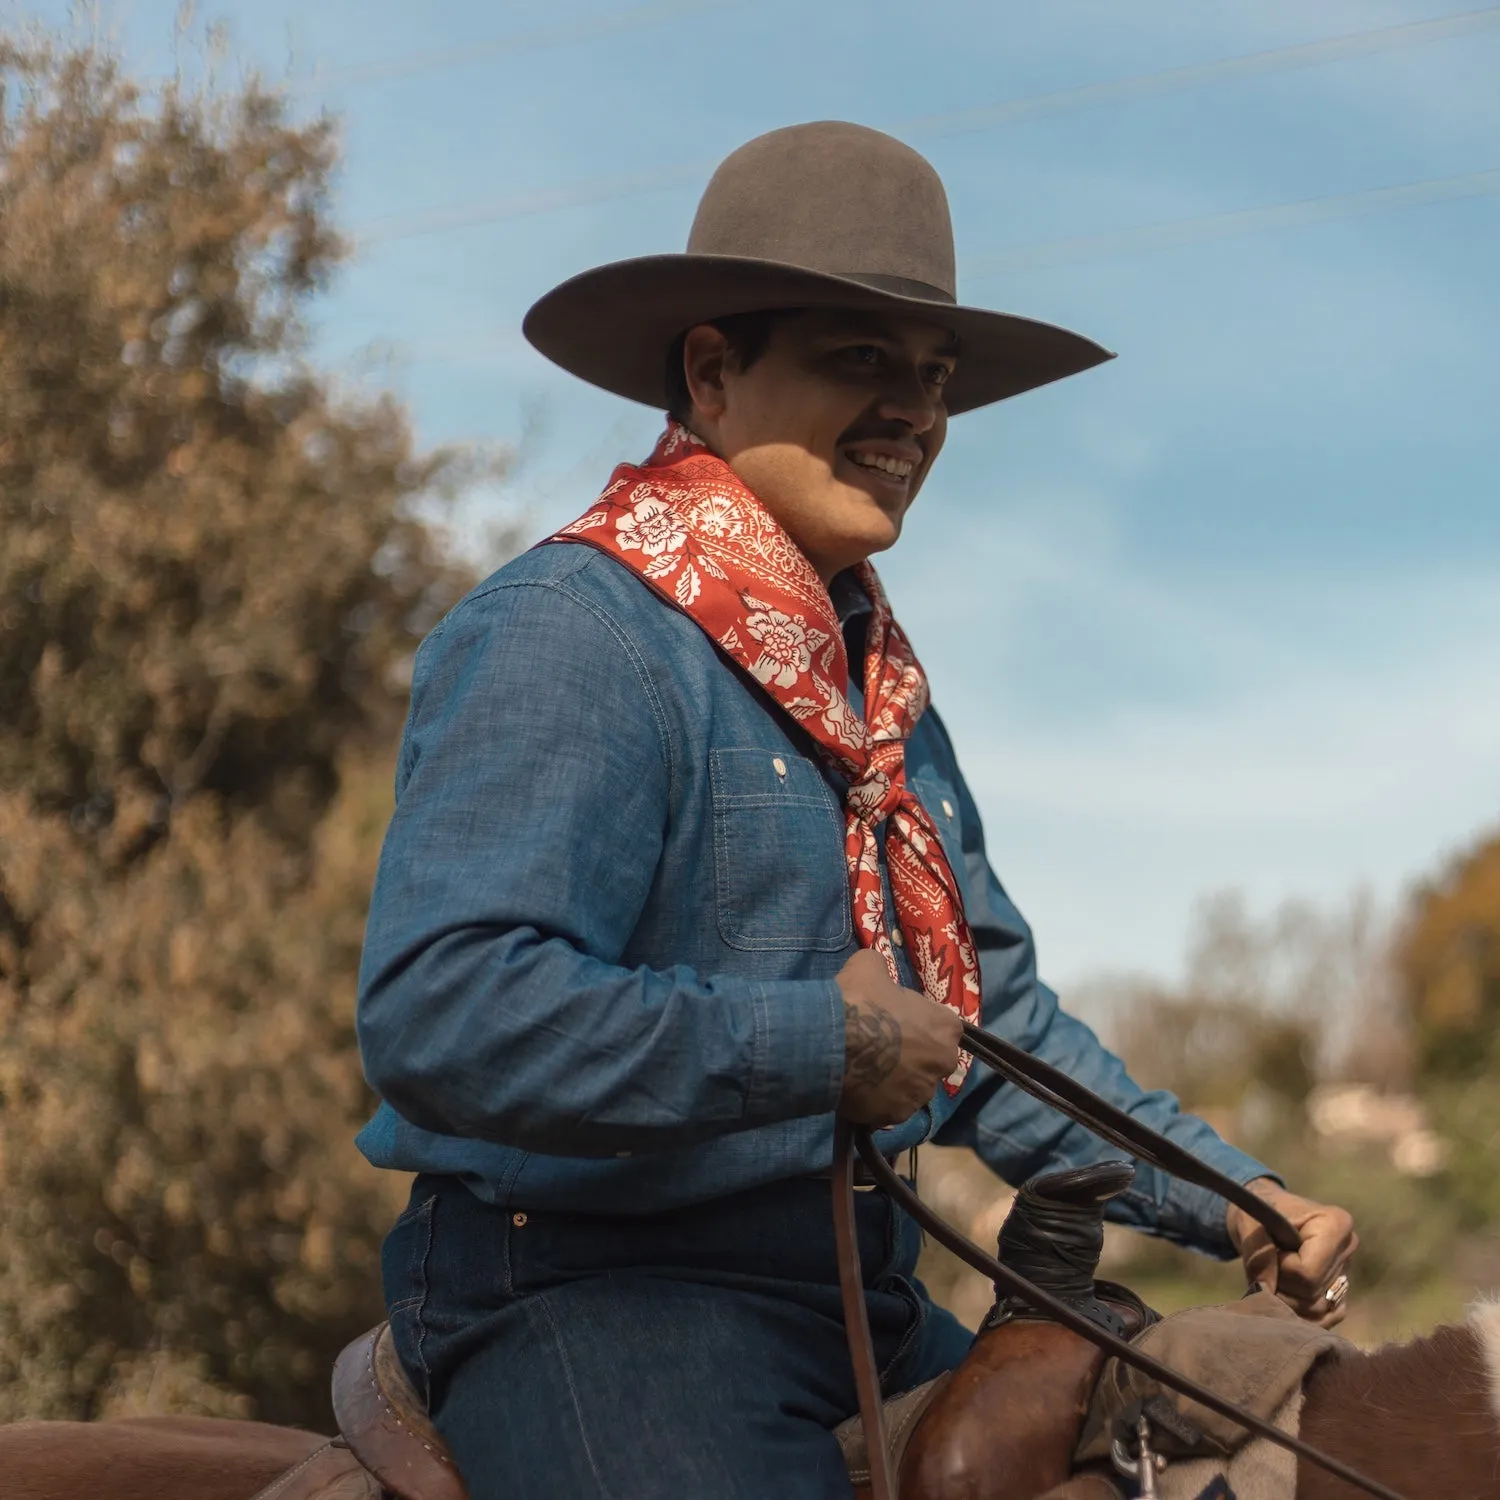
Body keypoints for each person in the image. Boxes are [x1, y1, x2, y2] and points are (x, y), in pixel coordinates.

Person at [354, 121, 1357, 1500]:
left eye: (934, 379)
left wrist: (1246, 1202)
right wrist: (817, 1046)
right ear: (712, 370)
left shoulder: (878, 693)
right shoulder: (568, 633)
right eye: (859, 361)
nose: (916, 416)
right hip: (590, 1292)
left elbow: (994, 1032)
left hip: (860, 1299)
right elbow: (444, 1008)